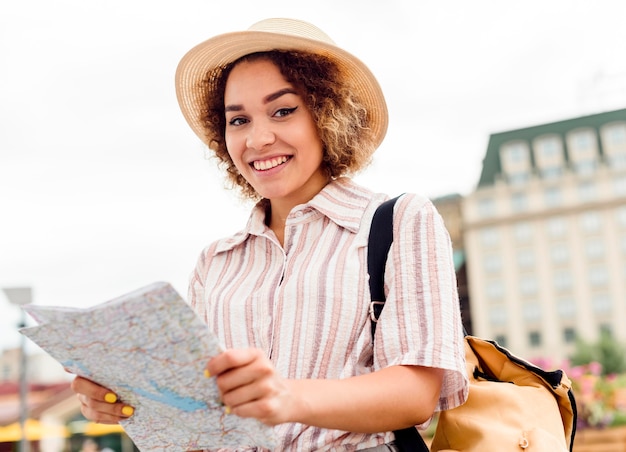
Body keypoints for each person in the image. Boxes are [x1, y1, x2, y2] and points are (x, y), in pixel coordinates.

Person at [71, 18, 469, 451]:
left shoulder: (398, 221)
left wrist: (286, 397)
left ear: (326, 114)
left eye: (283, 110)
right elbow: (199, 426)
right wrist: (130, 404)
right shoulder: (215, 263)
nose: (258, 138)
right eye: (238, 120)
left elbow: (416, 395)